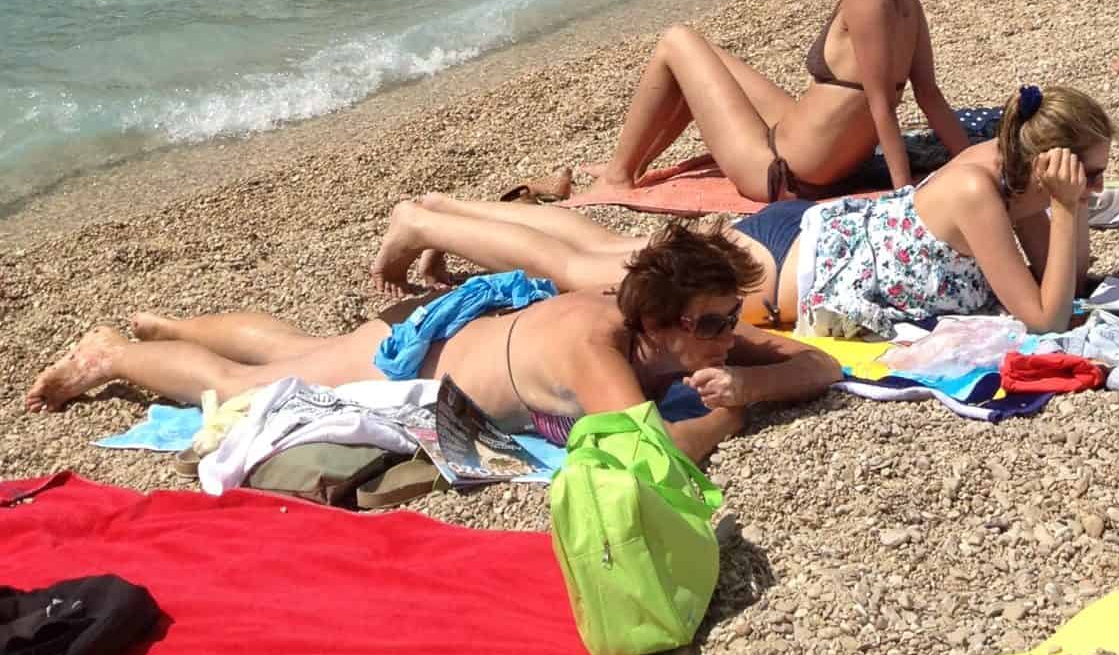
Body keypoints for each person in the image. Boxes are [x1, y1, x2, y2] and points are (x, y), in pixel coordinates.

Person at [27, 220, 837, 466]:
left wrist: (755, 385)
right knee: (248, 387)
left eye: (732, 319)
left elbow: (824, 362)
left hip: (467, 326)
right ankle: (114, 354)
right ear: (658, 324)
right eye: (712, 323)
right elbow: (647, 458)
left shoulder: (693, 338)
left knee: (303, 348)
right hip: (416, 356)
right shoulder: (601, 343)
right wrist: (727, 416)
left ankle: (166, 324)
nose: (732, 335)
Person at [569, 0, 968, 207]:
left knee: (677, 40)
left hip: (779, 171)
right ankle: (629, 164)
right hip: (817, 155)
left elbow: (881, 104)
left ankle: (619, 175)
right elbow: (928, 94)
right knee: (707, 60)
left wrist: (902, 198)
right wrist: (969, 158)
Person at [796, 86, 1111, 338]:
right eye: (1092, 174)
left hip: (835, 239)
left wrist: (1076, 201)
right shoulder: (975, 190)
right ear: (1046, 166)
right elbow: (1046, 322)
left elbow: (1069, 281)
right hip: (800, 266)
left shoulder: (1018, 172)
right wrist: (1066, 207)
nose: (1098, 187)